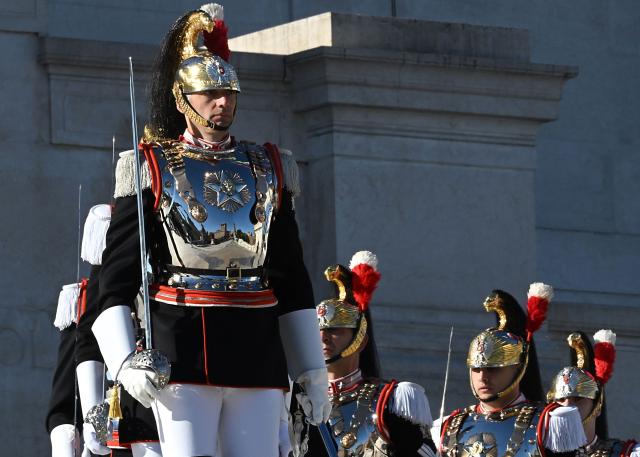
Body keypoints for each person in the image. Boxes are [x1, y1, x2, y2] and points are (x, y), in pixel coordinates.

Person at [90, 3, 329, 456]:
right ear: (182, 100)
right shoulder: (150, 166)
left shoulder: (268, 166)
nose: (222, 103)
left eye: (230, 93)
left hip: (255, 336)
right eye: (209, 94)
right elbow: (114, 276)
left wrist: (311, 370)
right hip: (181, 336)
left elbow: (291, 275)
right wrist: (123, 361)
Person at [290, 251, 436, 457]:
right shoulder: (297, 401)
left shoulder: (391, 402)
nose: (322, 338)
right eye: (318, 331)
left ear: (361, 339)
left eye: (334, 331)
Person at [436, 284, 586, 457]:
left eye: (493, 369)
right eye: (477, 369)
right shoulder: (451, 424)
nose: (483, 377)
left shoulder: (551, 423)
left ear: (519, 368)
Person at [546, 330, 639, 457]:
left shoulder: (629, 454)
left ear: (597, 406)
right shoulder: (534, 450)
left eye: (578, 399)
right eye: (561, 400)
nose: (567, 406)